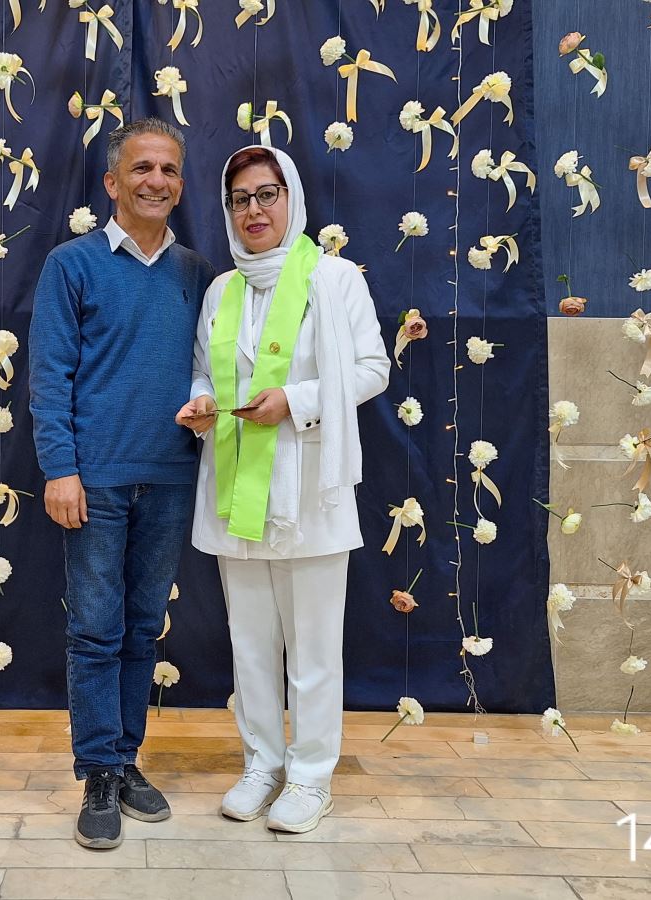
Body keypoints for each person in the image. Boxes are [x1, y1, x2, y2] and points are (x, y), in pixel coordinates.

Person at [174, 145, 390, 834]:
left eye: (267, 194)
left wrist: (296, 402)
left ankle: (310, 777)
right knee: (251, 646)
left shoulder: (334, 279)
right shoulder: (222, 291)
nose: (254, 210)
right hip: (237, 485)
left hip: (308, 488)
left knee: (315, 649)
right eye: (240, 199)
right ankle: (261, 765)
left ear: (291, 198)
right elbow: (204, 370)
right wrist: (200, 402)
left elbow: (372, 368)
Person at [29, 119, 217, 850]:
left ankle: (126, 757)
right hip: (95, 481)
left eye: (168, 170)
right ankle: (98, 773)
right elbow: (50, 376)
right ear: (112, 182)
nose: (155, 181)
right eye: (142, 168)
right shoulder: (71, 265)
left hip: (169, 477)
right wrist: (60, 469)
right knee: (95, 630)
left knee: (141, 629)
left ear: (180, 185)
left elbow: (209, 369)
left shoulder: (197, 274)